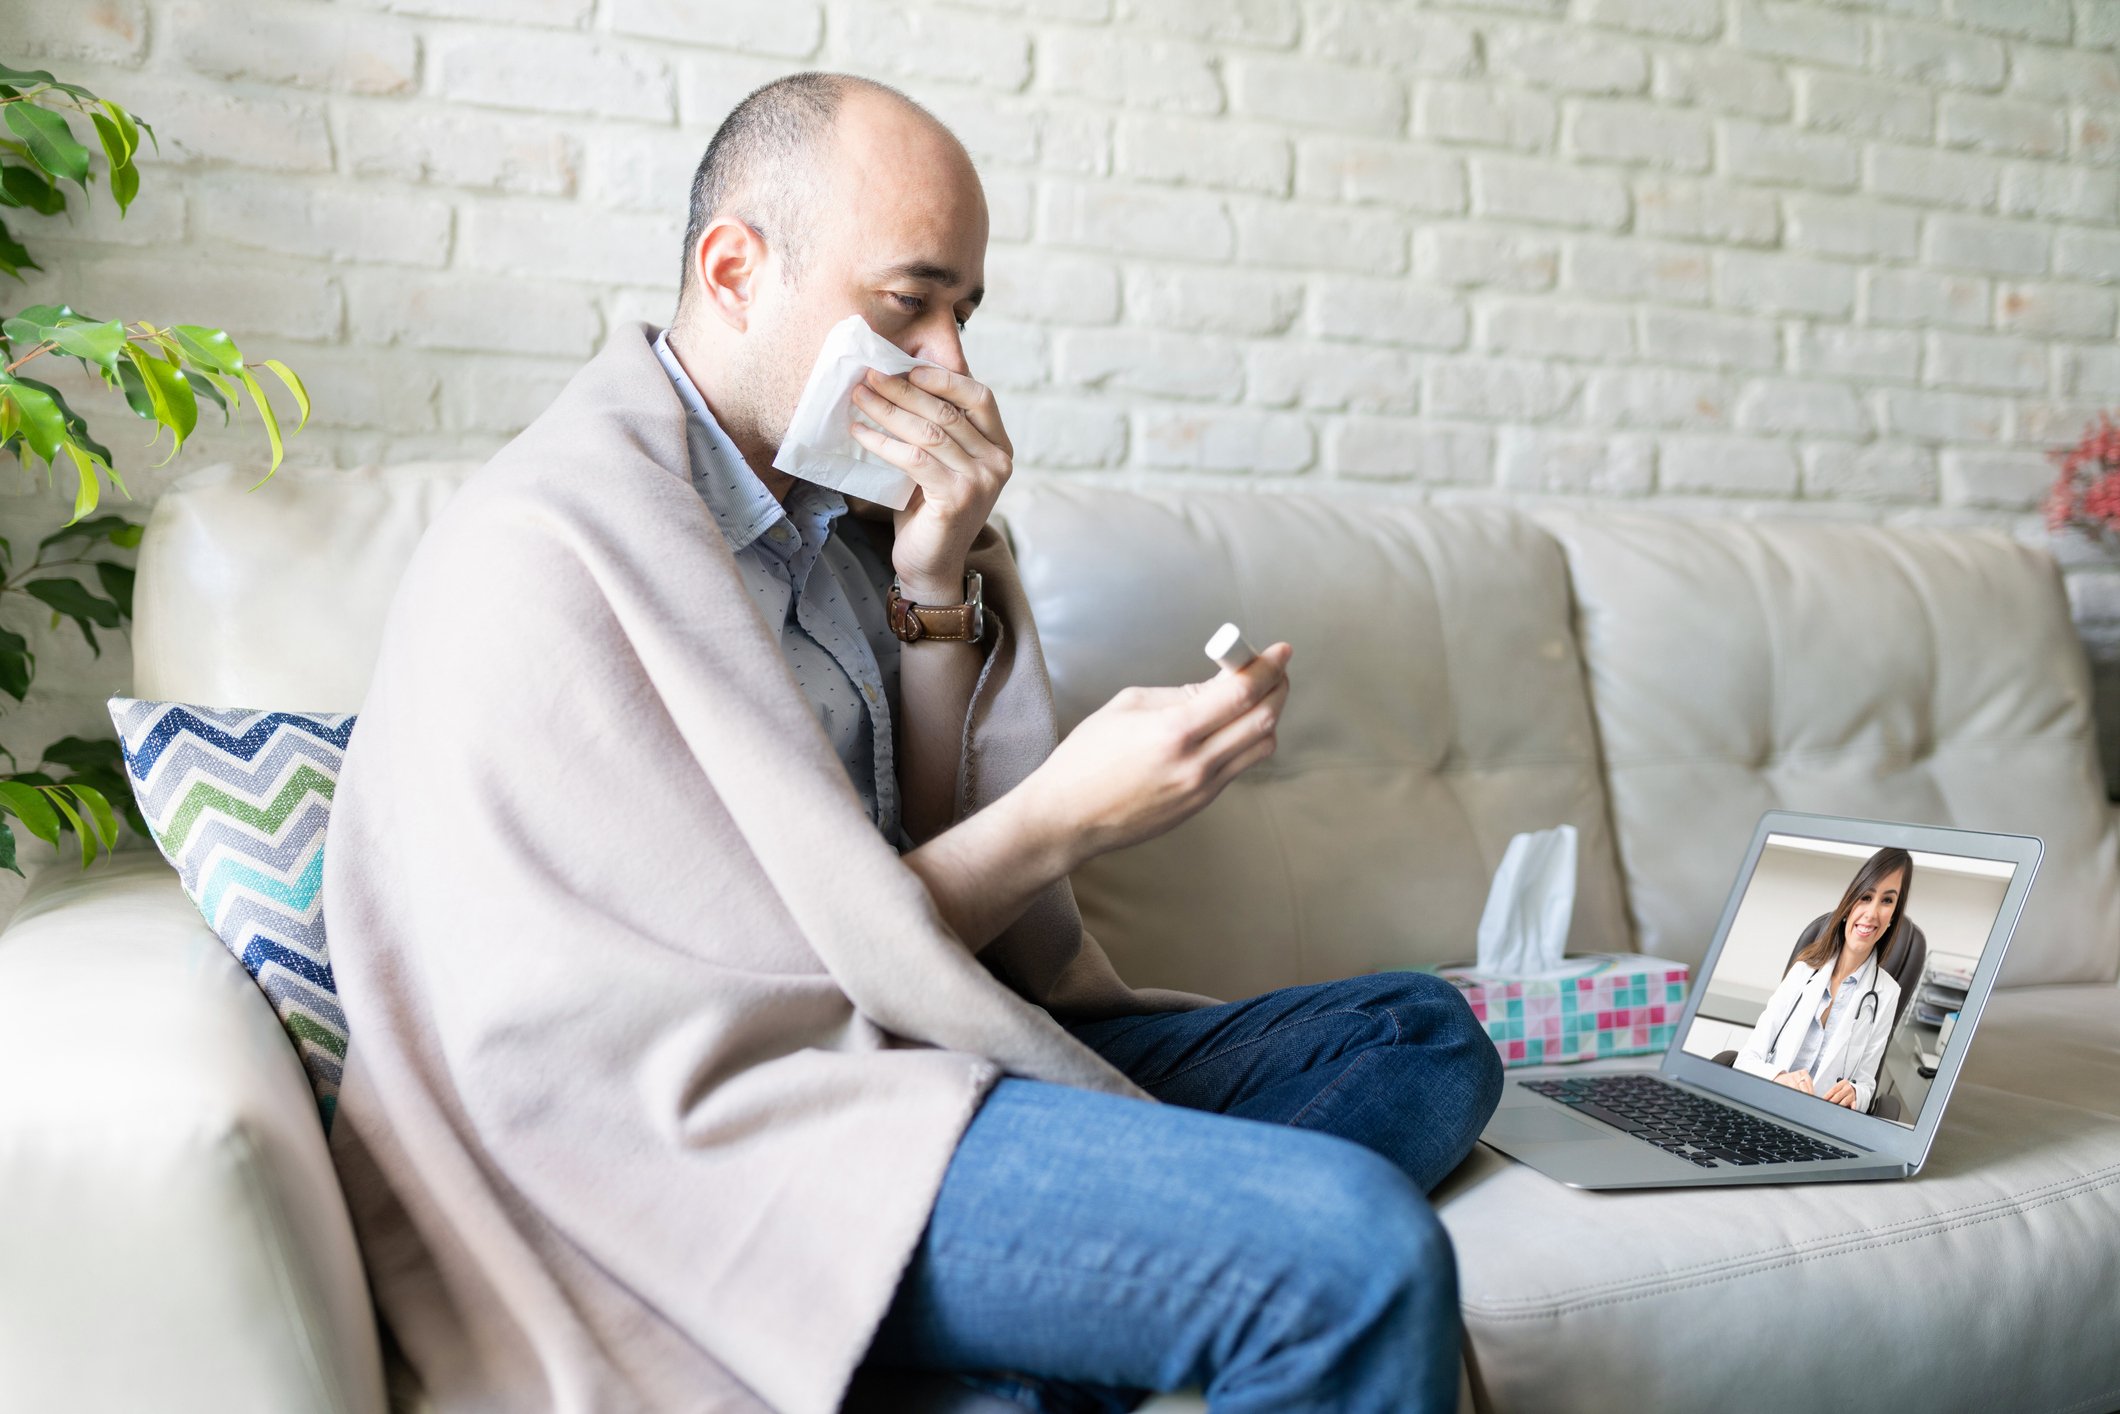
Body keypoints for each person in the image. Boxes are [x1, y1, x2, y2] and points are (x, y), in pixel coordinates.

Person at [322, 70, 1501, 1414]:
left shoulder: (836, 522)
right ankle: (1108, 1293)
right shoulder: (556, 541)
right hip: (737, 1125)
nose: (951, 365)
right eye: (908, 304)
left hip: (902, 1048)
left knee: (1418, 1032)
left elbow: (915, 895)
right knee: (1347, 1252)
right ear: (733, 269)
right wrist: (1068, 813)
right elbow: (780, 980)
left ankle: (1043, 1329)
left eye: (964, 314)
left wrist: (935, 579)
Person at [1732, 847, 1911, 1113]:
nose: (1872, 914)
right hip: (1765, 1106)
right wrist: (1779, 1078)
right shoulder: (1804, 971)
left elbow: (1866, 1086)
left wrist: (1854, 1094)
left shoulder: (1886, 993)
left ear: (1893, 916)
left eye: (1887, 901)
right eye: (1866, 897)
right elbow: (1746, 1060)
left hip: (1820, 1123)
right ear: (1850, 904)